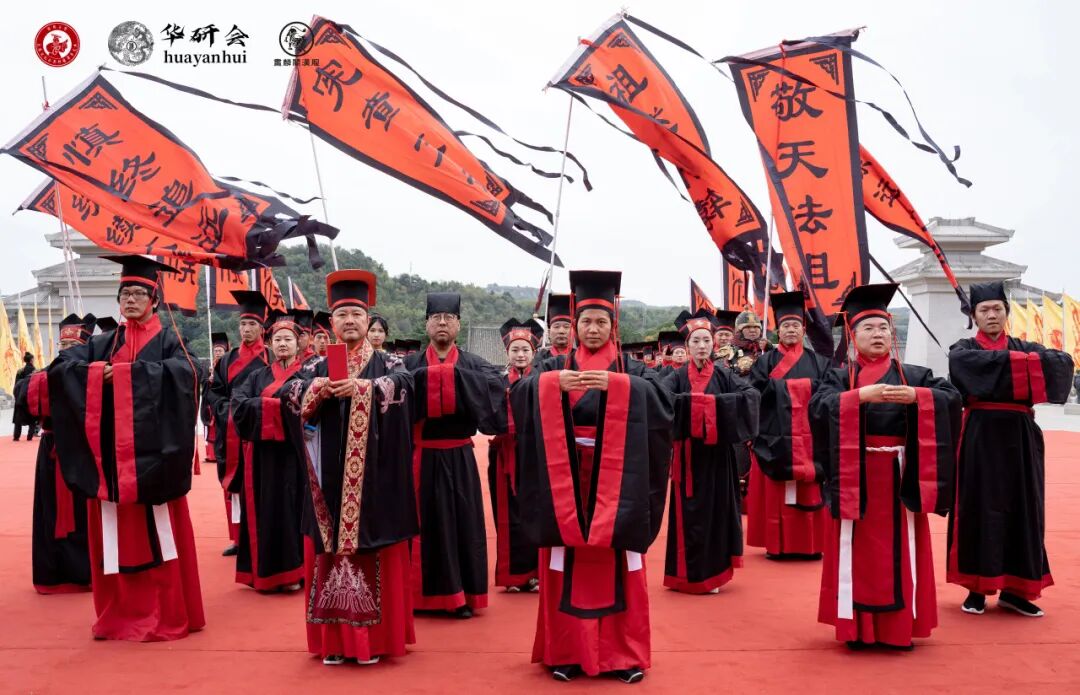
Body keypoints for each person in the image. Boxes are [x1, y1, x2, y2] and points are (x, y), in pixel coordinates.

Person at [511, 270, 673, 684]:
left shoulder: (632, 368)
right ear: (575, 325)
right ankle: (566, 652)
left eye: (602, 321)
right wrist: (552, 385)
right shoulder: (553, 365)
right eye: (586, 321)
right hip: (565, 481)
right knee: (563, 563)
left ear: (613, 325)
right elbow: (517, 395)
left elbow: (665, 403)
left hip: (620, 483)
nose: (594, 329)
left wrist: (620, 387)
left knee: (621, 564)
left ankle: (624, 655)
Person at [48, 255, 205, 641]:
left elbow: (190, 373)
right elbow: (61, 368)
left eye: (138, 293)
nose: (131, 300)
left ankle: (166, 613)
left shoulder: (170, 341)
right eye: (125, 294)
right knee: (112, 539)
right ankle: (118, 614)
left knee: (160, 537)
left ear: (155, 299)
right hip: (110, 465)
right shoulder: (103, 342)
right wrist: (91, 374)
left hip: (155, 462)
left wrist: (121, 376)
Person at [809, 283, 961, 651]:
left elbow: (952, 398)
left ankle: (897, 628)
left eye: (883, 328)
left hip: (899, 476)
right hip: (854, 475)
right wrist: (858, 396)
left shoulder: (915, 374)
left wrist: (918, 397)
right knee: (855, 549)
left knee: (901, 550)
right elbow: (818, 408)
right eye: (868, 328)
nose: (878, 335)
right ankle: (858, 628)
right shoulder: (838, 377)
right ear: (852, 336)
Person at [279, 269, 418, 666]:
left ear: (368, 320)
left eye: (357, 314)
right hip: (327, 484)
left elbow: (406, 387)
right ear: (332, 323)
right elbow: (288, 393)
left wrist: (365, 389)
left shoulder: (389, 363)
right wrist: (316, 390)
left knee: (374, 551)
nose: (350, 321)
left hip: (374, 483)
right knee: (328, 553)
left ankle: (372, 642)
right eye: (342, 315)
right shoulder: (316, 366)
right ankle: (335, 643)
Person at [946, 282, 1075, 617]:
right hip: (979, 435)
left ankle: (1016, 591)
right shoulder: (963, 348)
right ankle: (976, 589)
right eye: (984, 310)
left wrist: (1000, 365)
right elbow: (963, 367)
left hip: (1021, 436)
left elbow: (1061, 362)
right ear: (973, 316)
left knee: (1024, 507)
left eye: (997, 309)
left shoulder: (1023, 344)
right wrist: (1024, 365)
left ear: (1006, 313)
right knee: (978, 506)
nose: (991, 315)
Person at [404, 292, 504, 617]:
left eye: (449, 318)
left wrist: (445, 379)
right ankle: (420, 597)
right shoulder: (409, 364)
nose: (442, 323)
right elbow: (393, 392)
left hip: (460, 456)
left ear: (459, 324)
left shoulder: (475, 363)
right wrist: (445, 381)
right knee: (425, 526)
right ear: (427, 324)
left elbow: (495, 389)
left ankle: (462, 597)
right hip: (421, 457)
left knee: (463, 525)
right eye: (436, 318)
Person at [662, 309, 759, 594]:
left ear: (713, 344)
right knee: (687, 514)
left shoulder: (724, 374)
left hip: (717, 457)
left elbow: (751, 396)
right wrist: (704, 405)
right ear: (688, 345)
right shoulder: (675, 376)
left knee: (715, 512)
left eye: (706, 340)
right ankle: (684, 575)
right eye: (696, 341)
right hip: (687, 457)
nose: (702, 346)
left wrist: (707, 405)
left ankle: (713, 573)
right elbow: (661, 398)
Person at [747, 292, 832, 559]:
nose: (791, 330)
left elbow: (829, 394)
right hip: (775, 437)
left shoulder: (820, 362)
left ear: (803, 330)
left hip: (810, 438)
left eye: (796, 325)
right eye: (786, 325)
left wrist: (784, 388)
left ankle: (811, 545)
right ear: (778, 331)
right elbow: (754, 394)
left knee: (810, 490)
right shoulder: (765, 362)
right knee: (777, 492)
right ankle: (778, 545)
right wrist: (800, 389)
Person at [228, 312, 307, 592]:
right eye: (278, 339)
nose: (283, 344)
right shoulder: (256, 376)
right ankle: (264, 574)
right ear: (270, 344)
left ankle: (293, 573)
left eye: (288, 339)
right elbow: (239, 406)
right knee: (264, 509)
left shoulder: (308, 375)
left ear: (298, 344)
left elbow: (312, 408)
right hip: (261, 456)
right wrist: (282, 407)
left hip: (295, 455)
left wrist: (265, 405)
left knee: (292, 510)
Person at [29, 313, 96, 594]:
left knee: (83, 511)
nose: (66, 350)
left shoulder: (92, 373)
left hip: (83, 451)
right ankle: (53, 573)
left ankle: (85, 572)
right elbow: (27, 407)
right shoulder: (44, 374)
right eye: (63, 345)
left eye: (73, 346)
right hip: (53, 450)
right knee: (50, 510)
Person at [205, 291, 271, 557]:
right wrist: (228, 412)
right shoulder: (228, 359)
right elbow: (215, 393)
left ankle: (263, 536)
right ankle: (237, 537)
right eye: (243, 324)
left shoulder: (270, 357)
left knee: (262, 485)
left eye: (252, 324)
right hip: (231, 431)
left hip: (260, 432)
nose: (246, 329)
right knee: (234, 486)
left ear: (262, 327)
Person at [488, 318, 543, 593]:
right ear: (507, 352)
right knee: (507, 512)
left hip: (535, 455)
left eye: (525, 350)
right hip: (504, 453)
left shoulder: (542, 380)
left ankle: (536, 573)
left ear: (534, 352)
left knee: (536, 511)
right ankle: (512, 575)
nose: (520, 355)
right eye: (515, 350)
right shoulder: (496, 382)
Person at [201, 332, 230, 466]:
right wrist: (209, 379)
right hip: (210, 402)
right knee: (210, 428)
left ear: (225, 352)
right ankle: (211, 454)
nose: (218, 353)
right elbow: (202, 381)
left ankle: (222, 453)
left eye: (220, 351)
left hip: (222, 401)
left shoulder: (228, 365)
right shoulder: (209, 366)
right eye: (216, 351)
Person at [534, 294, 572, 362]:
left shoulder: (579, 357)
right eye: (556, 327)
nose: (561, 331)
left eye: (566, 327)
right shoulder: (540, 357)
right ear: (549, 332)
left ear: (574, 331)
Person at [13, 352, 39, 441]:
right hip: (31, 396)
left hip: (20, 396)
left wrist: (17, 397)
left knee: (18, 418)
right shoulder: (35, 372)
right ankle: (30, 436)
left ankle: (16, 436)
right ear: (31, 360)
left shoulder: (20, 371)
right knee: (32, 417)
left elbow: (16, 386)